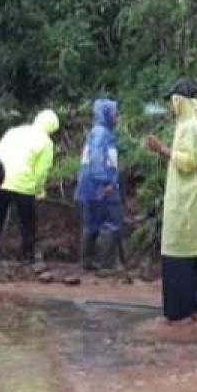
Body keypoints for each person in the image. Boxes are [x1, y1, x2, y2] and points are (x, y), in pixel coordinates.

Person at [144, 80, 197, 322]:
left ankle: (179, 312)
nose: (171, 107)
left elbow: (190, 161)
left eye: (172, 101)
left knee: (177, 254)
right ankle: (195, 307)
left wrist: (162, 149)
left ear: (179, 101)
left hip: (185, 202)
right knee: (191, 255)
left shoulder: (191, 127)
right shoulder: (193, 124)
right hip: (190, 201)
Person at [0, 110, 60, 264]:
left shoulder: (14, 132)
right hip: (24, 186)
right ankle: (27, 257)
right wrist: (39, 190)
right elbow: (41, 172)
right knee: (27, 223)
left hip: (1, 180)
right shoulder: (46, 142)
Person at [75, 99, 122, 271]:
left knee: (91, 222)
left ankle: (87, 262)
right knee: (110, 222)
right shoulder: (102, 134)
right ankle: (106, 265)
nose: (117, 118)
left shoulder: (95, 132)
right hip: (101, 185)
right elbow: (96, 158)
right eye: (115, 114)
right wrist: (106, 181)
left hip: (88, 186)